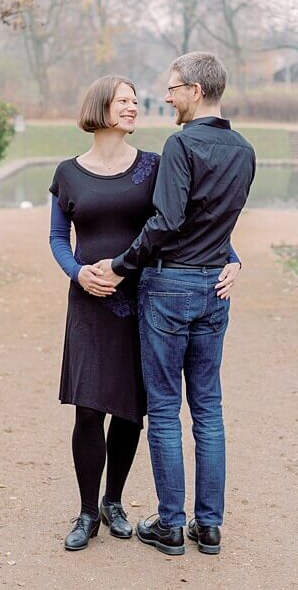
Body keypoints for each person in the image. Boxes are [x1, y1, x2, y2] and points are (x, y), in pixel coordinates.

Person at [48, 75, 242, 552]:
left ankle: (115, 502)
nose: (134, 107)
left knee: (133, 410)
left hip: (146, 298)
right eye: (124, 101)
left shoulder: (154, 166)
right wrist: (77, 273)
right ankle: (87, 511)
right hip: (90, 302)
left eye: (136, 101)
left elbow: (187, 219)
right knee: (89, 408)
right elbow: (57, 236)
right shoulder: (68, 172)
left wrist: (231, 257)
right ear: (101, 108)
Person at [96, 52, 256, 557]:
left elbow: (165, 222)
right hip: (215, 290)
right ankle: (208, 527)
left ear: (196, 90)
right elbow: (220, 222)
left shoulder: (181, 144)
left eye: (173, 88)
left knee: (165, 409)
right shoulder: (244, 150)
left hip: (169, 288)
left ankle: (171, 525)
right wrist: (231, 260)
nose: (165, 97)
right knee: (208, 409)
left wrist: (121, 265)